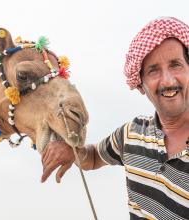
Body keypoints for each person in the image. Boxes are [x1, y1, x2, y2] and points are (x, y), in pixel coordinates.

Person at [41, 17, 189, 220]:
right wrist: (72, 151)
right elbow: (93, 157)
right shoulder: (131, 133)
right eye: (153, 70)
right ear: (140, 85)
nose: (168, 80)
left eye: (176, 65)